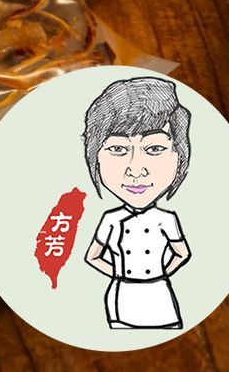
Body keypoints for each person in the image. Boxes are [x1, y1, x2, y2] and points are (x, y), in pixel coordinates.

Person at [80, 77, 192, 329]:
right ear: (95, 155)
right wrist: (120, 275)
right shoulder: (111, 219)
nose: (135, 170)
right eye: (118, 149)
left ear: (179, 155)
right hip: (121, 294)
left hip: (158, 292)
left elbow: (182, 252)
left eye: (154, 149)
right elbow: (92, 256)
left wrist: (159, 275)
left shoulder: (167, 219)